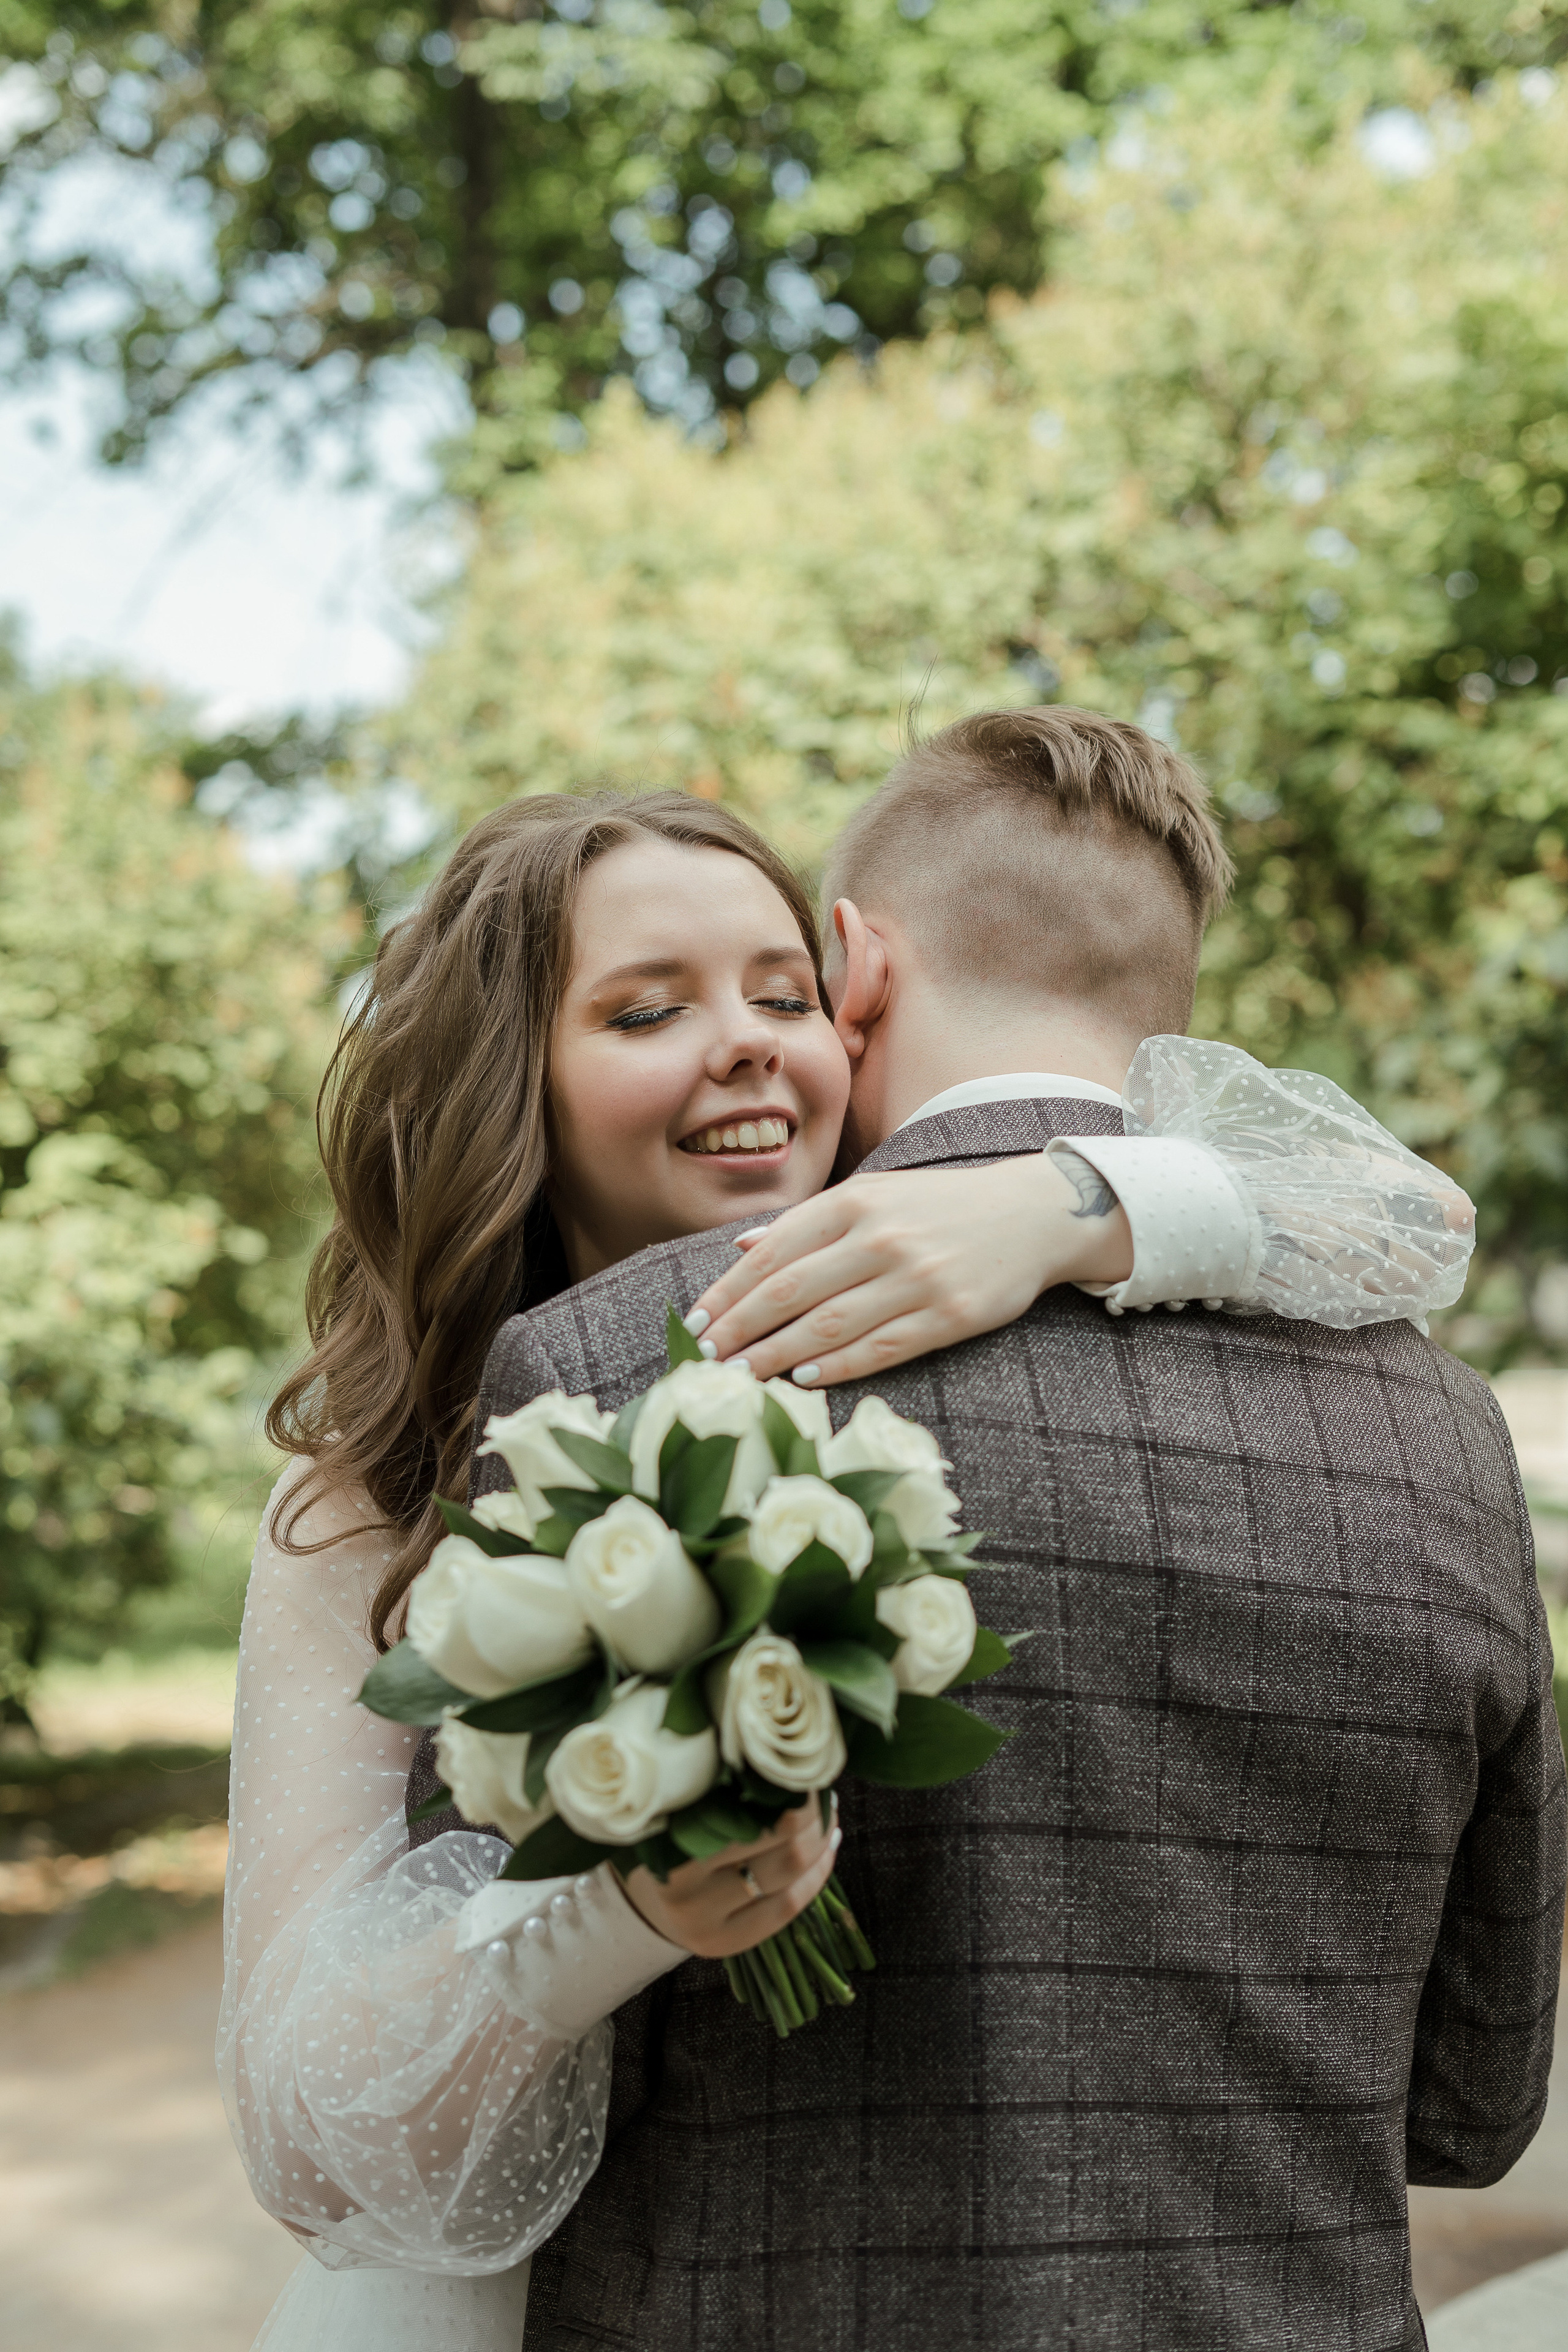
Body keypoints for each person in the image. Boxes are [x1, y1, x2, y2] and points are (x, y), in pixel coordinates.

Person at [219, 713, 1485, 2351]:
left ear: (858, 1005)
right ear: (511, 1081)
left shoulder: (971, 1281)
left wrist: (1067, 1205)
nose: (744, 1041)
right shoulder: (358, 1505)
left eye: (783, 991)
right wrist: (617, 1903)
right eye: (644, 1007)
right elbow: (305, 2126)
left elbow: (1413, 1211)